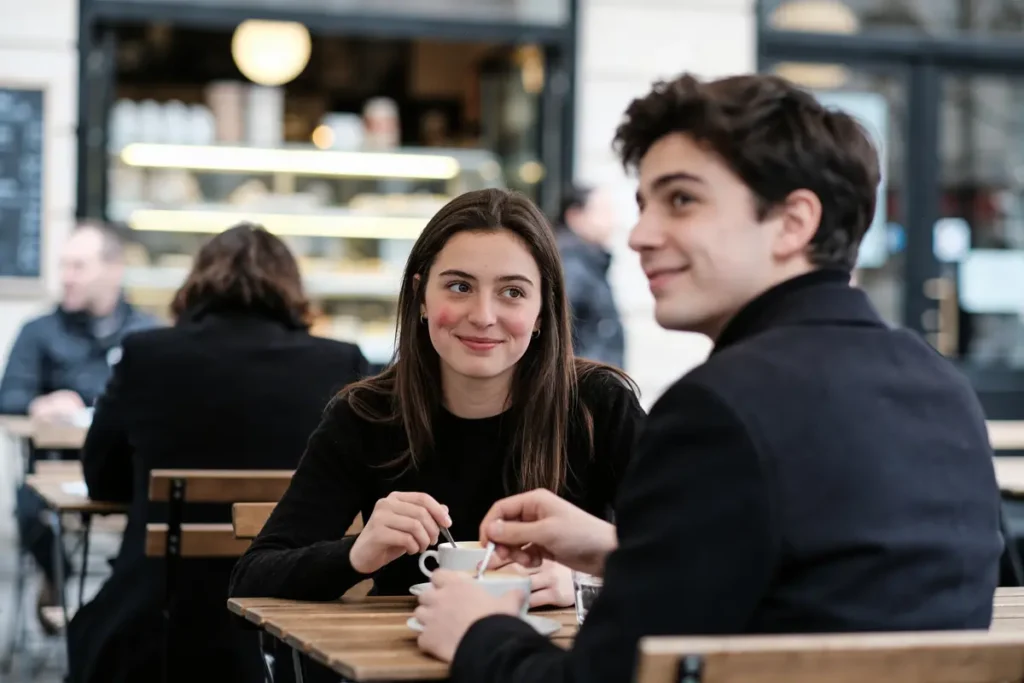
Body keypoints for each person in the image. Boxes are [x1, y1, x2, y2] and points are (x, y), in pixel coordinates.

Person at [411, 73, 1004, 682]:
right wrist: (621, 552)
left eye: (681, 200)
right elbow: (831, 591)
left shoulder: (721, 407)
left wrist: (477, 633)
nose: (640, 235)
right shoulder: (941, 386)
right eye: (643, 203)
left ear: (793, 222)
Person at [229, 188, 644, 682]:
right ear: (422, 296)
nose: (484, 315)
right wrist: (357, 554)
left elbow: (690, 557)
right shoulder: (367, 414)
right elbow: (253, 574)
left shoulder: (599, 405)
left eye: (512, 291)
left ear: (542, 310)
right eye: (459, 286)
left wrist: (583, 576)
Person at [66, 223, 369, 683]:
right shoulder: (340, 361)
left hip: (159, 621)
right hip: (293, 621)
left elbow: (102, 479)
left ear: (197, 282)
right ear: (290, 287)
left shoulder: (146, 353)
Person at [0, 221, 158, 633]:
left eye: (78, 266)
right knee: (30, 507)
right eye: (64, 266)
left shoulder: (148, 334)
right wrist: (40, 404)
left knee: (160, 511)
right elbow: (8, 397)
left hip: (125, 473)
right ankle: (60, 576)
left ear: (113, 269)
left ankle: (120, 611)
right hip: (53, 472)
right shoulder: (39, 331)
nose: (65, 277)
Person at [556, 185, 625, 368]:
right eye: (602, 212)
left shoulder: (589, 261)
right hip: (584, 385)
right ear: (574, 216)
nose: (612, 221)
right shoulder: (571, 265)